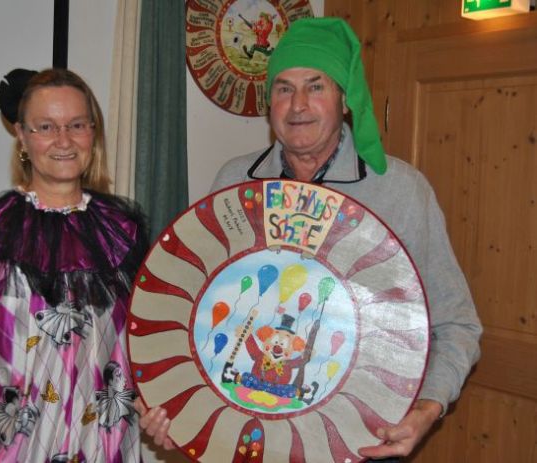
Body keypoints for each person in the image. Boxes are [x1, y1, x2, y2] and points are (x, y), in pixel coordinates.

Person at [140, 17, 483, 461]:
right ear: (270, 103)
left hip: (359, 443)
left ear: (344, 99)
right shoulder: (235, 182)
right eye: (284, 88)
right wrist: (178, 407)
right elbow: (195, 307)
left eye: (316, 86)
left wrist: (427, 408)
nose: (298, 104)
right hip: (253, 441)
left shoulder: (400, 191)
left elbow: (457, 326)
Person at [0, 68, 150, 462]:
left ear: (92, 132)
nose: (64, 140)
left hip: (102, 450)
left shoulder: (124, 238)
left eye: (76, 124)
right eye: (46, 126)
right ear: (22, 135)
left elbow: (144, 352)